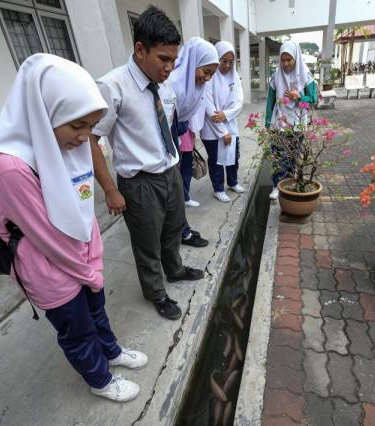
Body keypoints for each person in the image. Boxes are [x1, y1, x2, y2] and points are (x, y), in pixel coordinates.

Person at [0, 53, 148, 402]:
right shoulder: (9, 167)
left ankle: (111, 352)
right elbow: (47, 238)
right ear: (45, 111)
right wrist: (88, 272)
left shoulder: (62, 145)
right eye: (77, 126)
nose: (85, 137)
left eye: (91, 126)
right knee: (77, 329)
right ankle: (100, 379)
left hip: (83, 261)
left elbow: (83, 207)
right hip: (50, 269)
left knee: (96, 311)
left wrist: (94, 260)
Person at [90, 6, 204, 321]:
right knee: (147, 244)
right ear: (140, 49)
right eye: (163, 59)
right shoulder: (112, 86)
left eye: (173, 60)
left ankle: (176, 270)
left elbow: (165, 125)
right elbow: (90, 139)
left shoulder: (163, 84)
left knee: (172, 230)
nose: (169, 67)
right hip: (139, 183)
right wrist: (111, 190)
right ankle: (156, 293)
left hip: (168, 172)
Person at [169, 36, 219, 242]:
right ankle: (181, 233)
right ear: (193, 63)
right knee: (173, 189)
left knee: (177, 187)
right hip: (168, 142)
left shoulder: (192, 84)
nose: (207, 78)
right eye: (205, 72)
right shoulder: (173, 85)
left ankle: (181, 229)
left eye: (211, 74)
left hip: (178, 137)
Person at [265, 40, 317, 200]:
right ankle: (276, 186)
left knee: (292, 156)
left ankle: (287, 185)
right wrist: (268, 122)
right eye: (283, 60)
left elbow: (313, 99)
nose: (286, 63)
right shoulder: (276, 77)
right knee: (278, 156)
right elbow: (270, 100)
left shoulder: (306, 76)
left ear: (296, 58)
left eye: (289, 60)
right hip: (278, 122)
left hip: (297, 123)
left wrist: (299, 96)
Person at [201, 40, 245, 203]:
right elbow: (208, 105)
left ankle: (233, 182)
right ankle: (218, 189)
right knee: (216, 160)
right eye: (223, 61)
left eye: (231, 62)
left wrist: (226, 115)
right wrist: (222, 131)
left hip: (230, 123)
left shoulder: (235, 77)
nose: (227, 65)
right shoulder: (209, 77)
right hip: (212, 128)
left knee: (233, 156)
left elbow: (240, 102)